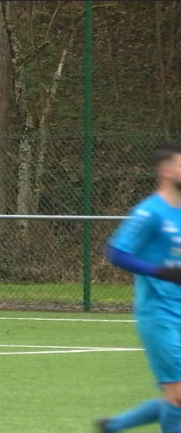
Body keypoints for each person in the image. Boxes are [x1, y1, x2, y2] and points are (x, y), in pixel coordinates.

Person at [96, 143, 181, 432]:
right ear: (166, 170)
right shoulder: (149, 212)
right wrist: (161, 272)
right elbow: (117, 253)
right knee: (179, 395)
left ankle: (115, 425)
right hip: (159, 313)